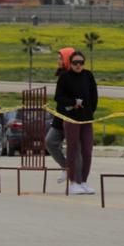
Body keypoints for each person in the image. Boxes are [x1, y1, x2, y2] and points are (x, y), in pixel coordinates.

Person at [54, 49, 99, 196]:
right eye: (75, 63)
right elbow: (58, 97)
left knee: (87, 150)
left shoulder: (88, 75)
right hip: (71, 118)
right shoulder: (65, 77)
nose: (78, 65)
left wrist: (90, 110)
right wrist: (72, 103)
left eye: (81, 63)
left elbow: (94, 94)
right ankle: (73, 182)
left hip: (86, 118)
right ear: (70, 63)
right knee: (72, 149)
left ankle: (83, 182)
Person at [47, 47, 83, 184]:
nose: (58, 61)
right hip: (60, 116)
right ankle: (65, 167)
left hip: (73, 117)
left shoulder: (76, 76)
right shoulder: (62, 75)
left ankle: (78, 182)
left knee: (75, 149)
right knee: (50, 142)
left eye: (60, 58)